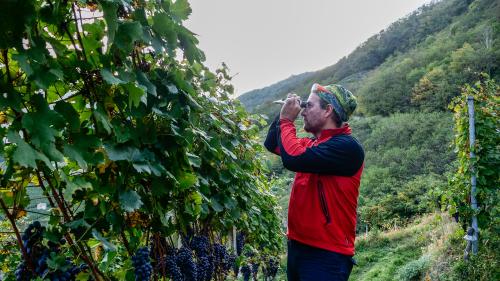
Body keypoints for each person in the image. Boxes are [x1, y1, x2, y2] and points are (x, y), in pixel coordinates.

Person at [264, 83, 364, 281]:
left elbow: (292, 159)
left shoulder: (347, 148)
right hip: (297, 247)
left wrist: (286, 120)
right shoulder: (312, 144)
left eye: (308, 106)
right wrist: (283, 113)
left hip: (326, 254)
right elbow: (273, 144)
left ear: (328, 110)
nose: (302, 112)